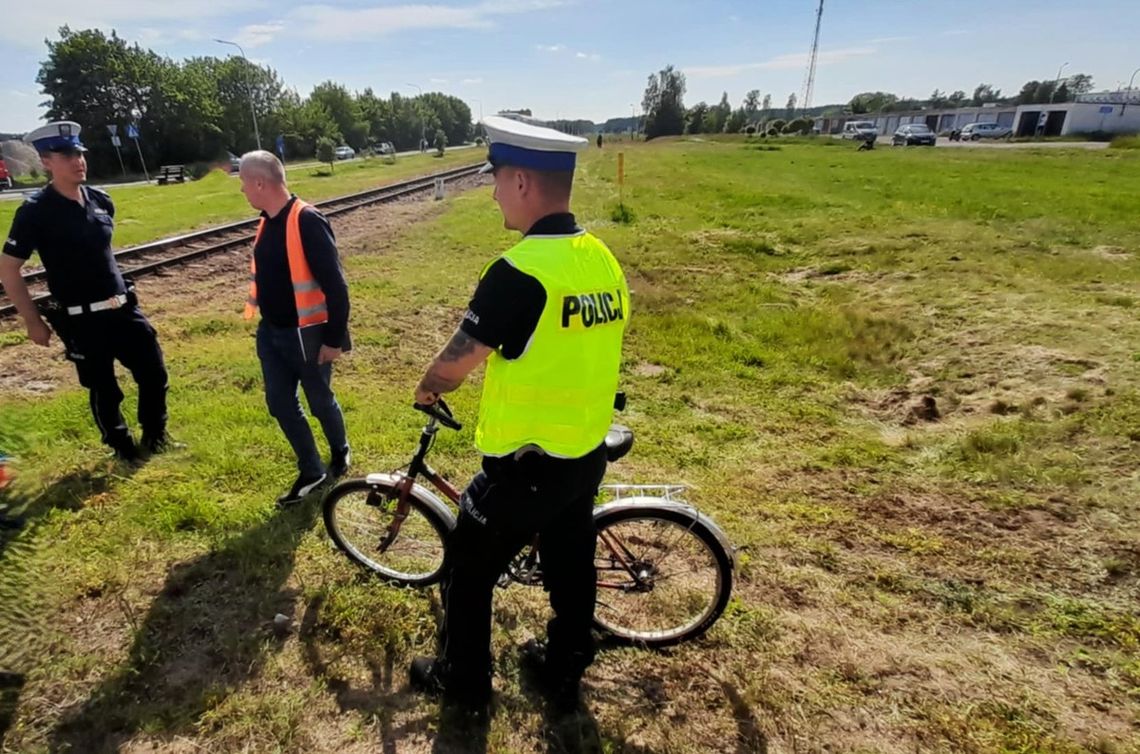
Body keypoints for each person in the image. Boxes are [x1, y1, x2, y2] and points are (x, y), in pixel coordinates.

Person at [408, 115, 629, 713]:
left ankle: (464, 683)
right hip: (583, 453)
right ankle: (564, 666)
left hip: (523, 467)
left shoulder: (518, 272)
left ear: (524, 181)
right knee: (570, 566)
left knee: (467, 572)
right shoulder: (602, 259)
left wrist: (427, 390)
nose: (494, 191)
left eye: (497, 179)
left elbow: (457, 361)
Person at [0, 122, 174, 462]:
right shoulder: (35, 211)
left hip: (123, 308)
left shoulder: (100, 200)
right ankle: (123, 448)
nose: (77, 161)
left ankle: (156, 436)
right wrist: (33, 322)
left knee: (154, 373)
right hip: (82, 319)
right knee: (104, 388)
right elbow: (8, 270)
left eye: (79, 153)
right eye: (66, 155)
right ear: (46, 161)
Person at [238, 150, 352, 507]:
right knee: (279, 402)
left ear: (260, 182)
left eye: (243, 183)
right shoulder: (266, 221)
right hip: (272, 333)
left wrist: (334, 341)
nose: (242, 190)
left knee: (320, 402)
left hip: (306, 336)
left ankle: (340, 449)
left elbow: (337, 287)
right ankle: (312, 469)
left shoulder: (306, 220)